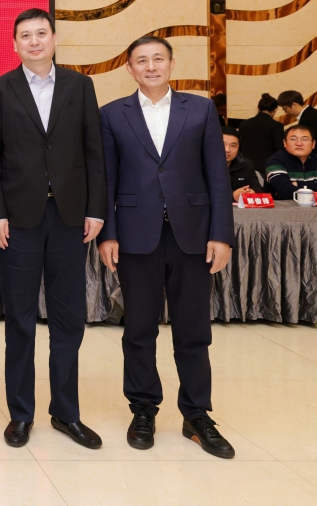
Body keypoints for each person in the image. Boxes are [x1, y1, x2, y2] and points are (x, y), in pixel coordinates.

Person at [98, 36, 235, 459]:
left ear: (172, 64)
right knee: (138, 329)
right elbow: (106, 180)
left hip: (192, 235)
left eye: (158, 58)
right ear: (130, 69)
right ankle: (143, 408)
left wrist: (221, 234)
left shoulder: (200, 109)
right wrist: (108, 234)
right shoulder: (111, 114)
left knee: (193, 329)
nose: (151, 66)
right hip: (135, 237)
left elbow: (217, 175)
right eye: (141, 61)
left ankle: (196, 414)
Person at [0, 8, 106, 450]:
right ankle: (21, 413)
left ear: (54, 38)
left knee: (68, 319)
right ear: (14, 44)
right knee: (19, 319)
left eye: (41, 33)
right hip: (18, 221)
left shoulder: (80, 85)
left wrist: (96, 209)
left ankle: (66, 412)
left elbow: (94, 152)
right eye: (25, 35)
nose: (34, 41)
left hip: (70, 218)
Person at [264, 125, 317, 199]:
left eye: (304, 139)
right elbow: (286, 192)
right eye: (293, 139)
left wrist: (298, 184)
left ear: (313, 144)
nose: (299, 143)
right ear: (284, 143)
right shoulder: (275, 161)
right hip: (283, 206)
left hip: (316, 206)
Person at [277, 90, 317, 172]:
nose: (285, 112)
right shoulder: (309, 114)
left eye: (285, 109)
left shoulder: (309, 117)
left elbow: (310, 142)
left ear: (294, 105)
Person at [235, 93, 285, 171]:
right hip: (267, 166)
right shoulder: (277, 126)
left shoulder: (244, 124)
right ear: (274, 110)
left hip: (246, 165)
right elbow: (279, 149)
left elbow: (240, 146)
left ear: (258, 108)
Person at [222, 127, 262, 202]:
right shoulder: (202, 165)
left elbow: (258, 189)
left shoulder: (246, 164)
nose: (227, 150)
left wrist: (251, 192)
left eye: (233, 146)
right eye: (222, 144)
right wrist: (232, 195)